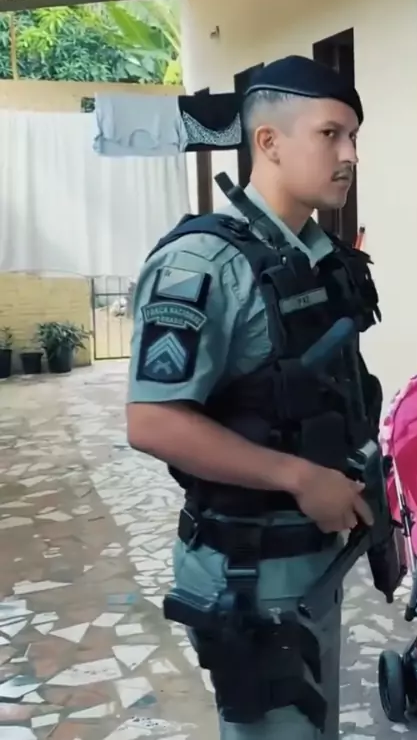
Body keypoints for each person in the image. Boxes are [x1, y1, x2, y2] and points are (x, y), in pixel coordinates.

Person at [126, 55, 382, 740]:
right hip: (247, 569)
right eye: (331, 134)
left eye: (354, 137)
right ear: (268, 142)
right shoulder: (202, 264)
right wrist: (298, 476)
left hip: (307, 558)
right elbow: (151, 420)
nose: (350, 155)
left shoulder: (316, 256)